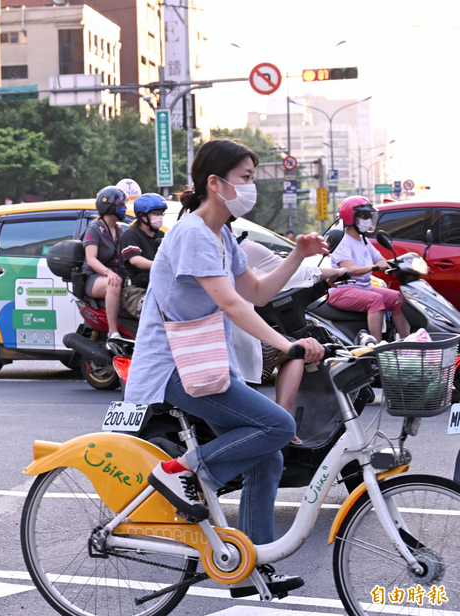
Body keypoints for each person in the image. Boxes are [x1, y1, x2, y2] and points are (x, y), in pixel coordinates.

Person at [124, 139, 326, 598]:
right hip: (175, 365)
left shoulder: (220, 236)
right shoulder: (193, 233)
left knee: (268, 454)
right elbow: (232, 304)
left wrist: (297, 253)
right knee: (277, 424)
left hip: (207, 363)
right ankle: (180, 471)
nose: (252, 187)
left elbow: (255, 292)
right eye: (247, 178)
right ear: (215, 183)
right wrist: (287, 345)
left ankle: (251, 566)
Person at [233, 237, 346, 445]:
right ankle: (282, 421)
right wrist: (334, 272)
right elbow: (245, 302)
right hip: (226, 350)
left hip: (213, 350)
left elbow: (258, 294)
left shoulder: (222, 246)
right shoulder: (235, 248)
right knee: (295, 351)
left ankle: (280, 423)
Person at [328, 196, 410, 343]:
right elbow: (348, 269)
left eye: (369, 216)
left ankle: (407, 342)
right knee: (376, 300)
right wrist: (374, 267)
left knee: (398, 298)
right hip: (342, 291)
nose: (368, 220)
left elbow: (379, 260)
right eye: (364, 216)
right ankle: (377, 348)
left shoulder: (363, 240)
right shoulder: (343, 241)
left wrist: (394, 263)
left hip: (364, 288)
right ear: (350, 217)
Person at [82, 186, 128, 341]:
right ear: (108, 206)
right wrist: (108, 273)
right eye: (120, 205)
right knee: (113, 284)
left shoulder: (120, 230)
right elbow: (91, 259)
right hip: (95, 278)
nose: (124, 208)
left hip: (116, 276)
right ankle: (113, 331)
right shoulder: (95, 229)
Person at [118, 192, 166, 318]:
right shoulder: (131, 235)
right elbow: (134, 259)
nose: (159, 217)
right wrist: (159, 265)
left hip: (157, 287)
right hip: (134, 290)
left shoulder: (161, 236)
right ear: (142, 216)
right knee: (154, 311)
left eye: (161, 213)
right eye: (155, 214)